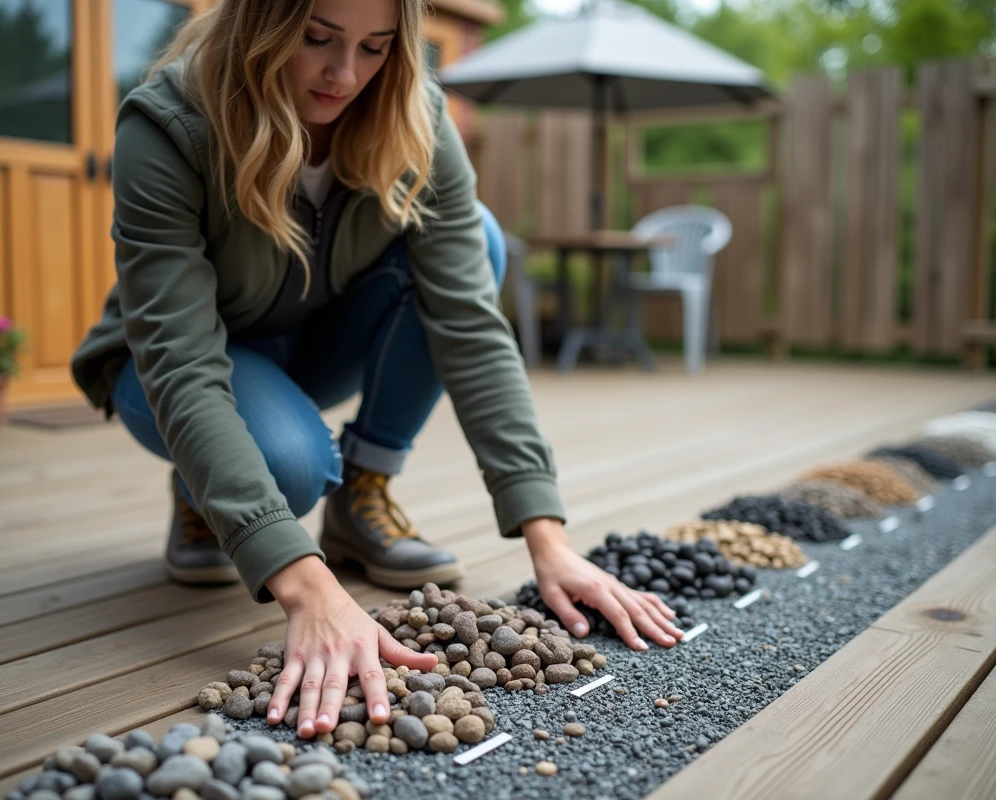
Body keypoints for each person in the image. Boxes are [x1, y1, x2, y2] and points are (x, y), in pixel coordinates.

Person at [71, 0, 683, 740]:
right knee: (290, 470)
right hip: (170, 366)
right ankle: (207, 488)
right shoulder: (169, 123)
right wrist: (309, 589)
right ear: (263, 22)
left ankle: (361, 495)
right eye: (317, 39)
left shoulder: (414, 114)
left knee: (482, 239)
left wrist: (547, 537)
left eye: (375, 47)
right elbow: (182, 364)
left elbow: (471, 328)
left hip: (312, 345)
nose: (344, 73)